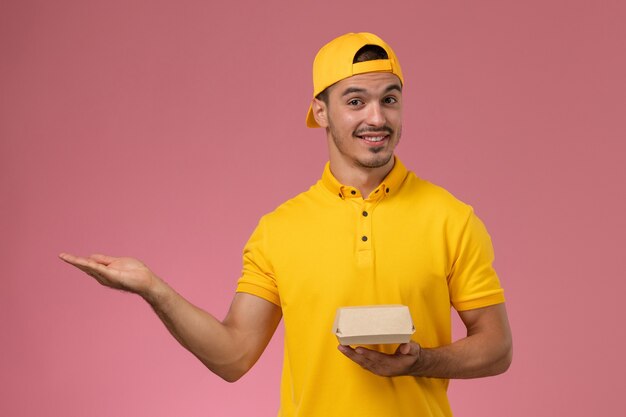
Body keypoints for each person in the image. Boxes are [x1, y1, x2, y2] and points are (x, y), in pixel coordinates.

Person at [60, 32, 512, 417]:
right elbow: (233, 356)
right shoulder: (280, 229)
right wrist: (153, 289)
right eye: (356, 101)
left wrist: (420, 361)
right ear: (321, 112)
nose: (377, 118)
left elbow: (496, 347)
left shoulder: (452, 218)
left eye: (389, 100)